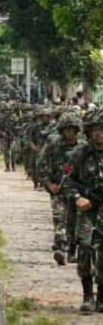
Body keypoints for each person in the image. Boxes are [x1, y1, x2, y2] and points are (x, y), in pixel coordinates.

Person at [62, 110, 103, 313]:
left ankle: (102, 297)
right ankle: (87, 295)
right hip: (87, 210)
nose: (100, 134)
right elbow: (67, 182)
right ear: (89, 133)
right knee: (85, 250)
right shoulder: (80, 154)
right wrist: (78, 198)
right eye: (96, 130)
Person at [37, 112, 86, 265]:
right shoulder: (53, 144)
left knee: (76, 220)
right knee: (59, 218)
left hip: (77, 190)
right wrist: (49, 184)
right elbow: (41, 165)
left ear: (77, 130)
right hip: (58, 188)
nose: (69, 133)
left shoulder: (83, 146)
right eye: (66, 130)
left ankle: (72, 250)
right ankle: (60, 247)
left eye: (72, 130)